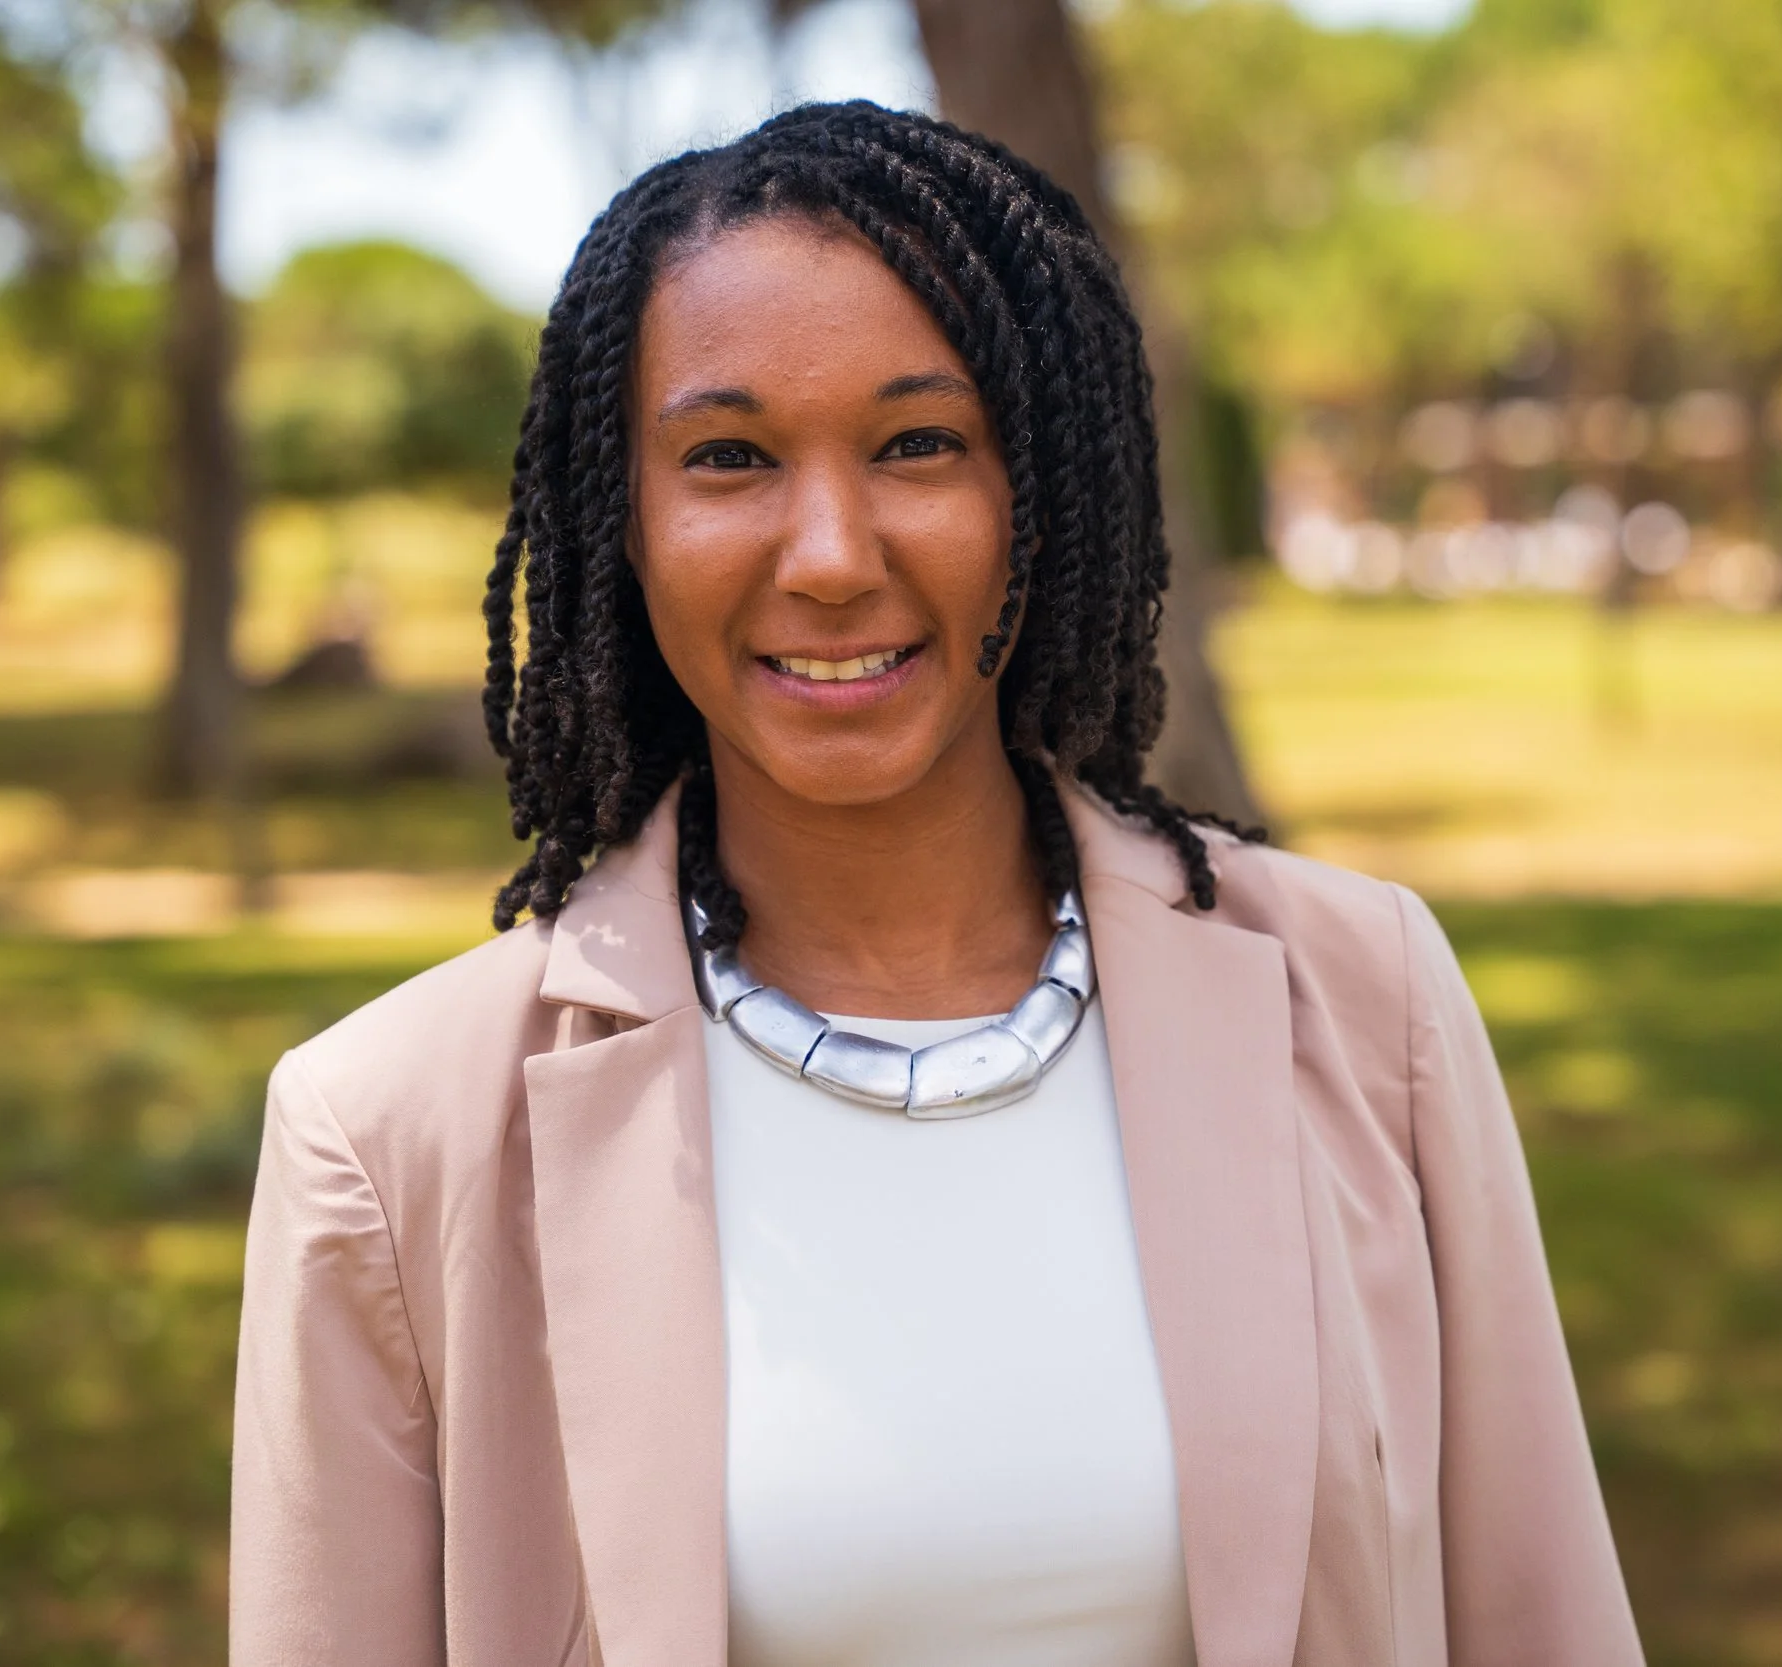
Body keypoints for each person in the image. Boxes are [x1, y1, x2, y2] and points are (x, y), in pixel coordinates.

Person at [229, 101, 1642, 1667]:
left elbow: (1542, 1616)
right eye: (730, 456)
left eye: (919, 443)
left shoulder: (1363, 1000)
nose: (830, 552)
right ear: (621, 520)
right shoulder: (389, 1130)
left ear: (1040, 488)